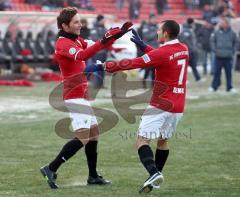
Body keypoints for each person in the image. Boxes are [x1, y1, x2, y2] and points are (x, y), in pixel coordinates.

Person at [40, 7, 132, 189]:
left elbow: (97, 45)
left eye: (79, 21)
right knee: (83, 137)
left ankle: (93, 176)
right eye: (76, 22)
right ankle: (51, 167)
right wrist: (104, 40)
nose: (80, 25)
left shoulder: (75, 40)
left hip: (81, 93)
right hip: (73, 94)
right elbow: (83, 55)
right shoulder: (63, 44)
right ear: (65, 26)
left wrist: (115, 36)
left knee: (94, 134)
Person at [103, 20, 189, 193]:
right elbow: (163, 57)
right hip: (178, 106)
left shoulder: (162, 52)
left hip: (160, 104)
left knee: (142, 140)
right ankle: (154, 178)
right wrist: (145, 46)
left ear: (165, 33)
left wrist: (107, 66)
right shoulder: (184, 48)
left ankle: (153, 172)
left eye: (159, 29)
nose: (157, 32)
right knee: (163, 141)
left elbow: (136, 63)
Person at [209, 17, 237, 93]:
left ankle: (229, 87)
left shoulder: (233, 33)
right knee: (216, 72)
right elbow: (212, 42)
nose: (221, 23)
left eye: (223, 22)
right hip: (218, 56)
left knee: (229, 73)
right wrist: (215, 50)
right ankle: (214, 87)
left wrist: (233, 51)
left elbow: (236, 42)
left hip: (228, 57)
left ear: (227, 24)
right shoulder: (216, 32)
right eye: (221, 22)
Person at [179, 18, 202, 82]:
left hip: (191, 51)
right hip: (188, 51)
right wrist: (191, 48)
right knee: (185, 66)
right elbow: (184, 41)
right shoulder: (186, 31)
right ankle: (185, 79)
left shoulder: (190, 30)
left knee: (193, 65)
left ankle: (198, 78)